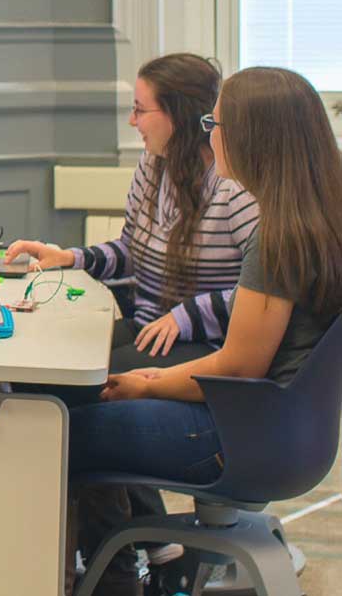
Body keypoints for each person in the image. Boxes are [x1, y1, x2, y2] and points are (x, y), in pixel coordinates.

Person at [66, 67, 342, 596]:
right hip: (284, 432)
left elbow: (238, 366)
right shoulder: (317, 221)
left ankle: (97, 578)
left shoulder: (278, 237)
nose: (209, 131)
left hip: (240, 436)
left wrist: (146, 383)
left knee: (51, 428)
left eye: (217, 122)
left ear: (250, 137)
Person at [7, 53, 258, 370]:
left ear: (177, 116)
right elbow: (131, 251)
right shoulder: (152, 165)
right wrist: (70, 258)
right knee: (43, 358)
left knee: (72, 381)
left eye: (140, 109)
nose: (131, 120)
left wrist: (186, 316)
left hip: (200, 346)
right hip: (147, 328)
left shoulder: (233, 188)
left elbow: (262, 294)